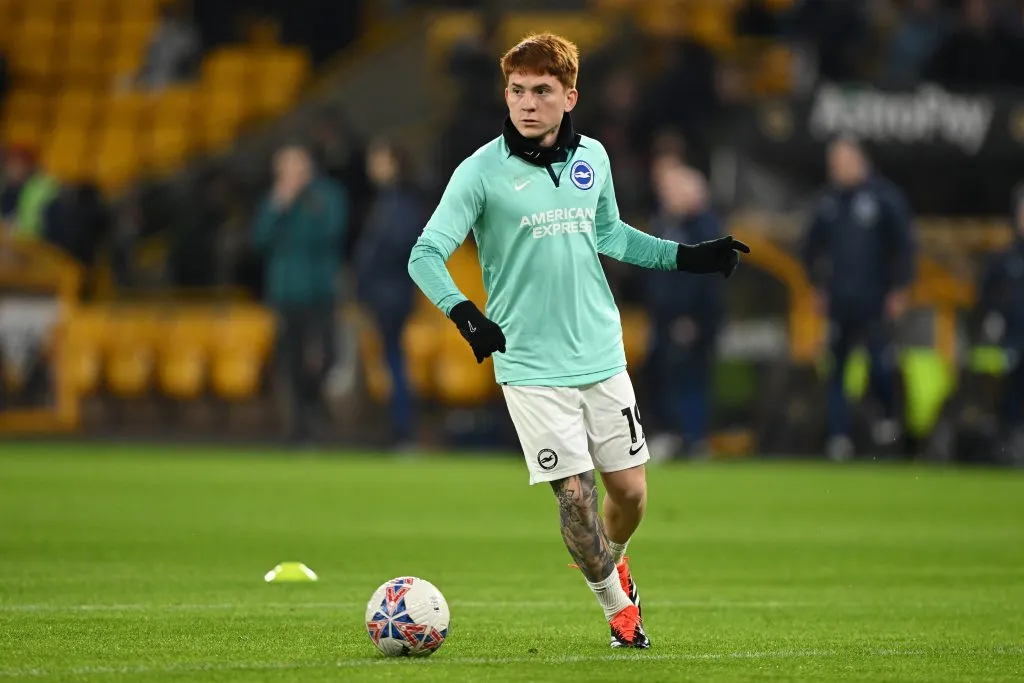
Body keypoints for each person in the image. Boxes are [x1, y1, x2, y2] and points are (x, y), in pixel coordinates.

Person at [407, 33, 748, 648]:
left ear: (569, 96)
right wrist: (466, 315)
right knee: (574, 495)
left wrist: (690, 259)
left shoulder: (593, 157)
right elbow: (425, 253)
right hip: (529, 364)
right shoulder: (480, 172)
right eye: (517, 91)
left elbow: (612, 236)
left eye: (541, 91)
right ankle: (619, 610)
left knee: (632, 495)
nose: (527, 103)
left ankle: (610, 557)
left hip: (599, 351)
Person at [800, 136, 916, 462]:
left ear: (860, 160)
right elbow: (808, 249)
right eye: (832, 162)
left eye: (841, 161)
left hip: (875, 300)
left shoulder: (885, 199)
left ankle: (886, 419)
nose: (835, 168)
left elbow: (904, 247)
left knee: (880, 364)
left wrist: (900, 288)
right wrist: (816, 287)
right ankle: (839, 438)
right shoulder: (828, 203)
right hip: (839, 301)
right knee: (836, 369)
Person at [253, 144, 347, 444]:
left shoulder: (327, 195)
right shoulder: (275, 200)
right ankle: (300, 428)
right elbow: (260, 239)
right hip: (286, 291)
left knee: (328, 354)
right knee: (290, 360)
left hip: (321, 289)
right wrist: (280, 203)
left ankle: (314, 404)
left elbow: (333, 231)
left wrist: (304, 203)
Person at [643, 162, 724, 459]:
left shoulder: (704, 227)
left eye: (672, 190)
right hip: (664, 317)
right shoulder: (666, 223)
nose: (666, 196)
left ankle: (693, 437)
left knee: (690, 377)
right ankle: (673, 434)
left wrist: (691, 317)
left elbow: (705, 277)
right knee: (663, 376)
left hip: (691, 319)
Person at [355, 139, 424, 448]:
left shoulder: (398, 204)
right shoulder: (392, 202)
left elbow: (394, 248)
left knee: (393, 360)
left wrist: (366, 276)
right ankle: (395, 427)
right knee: (390, 359)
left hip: (390, 292)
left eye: (378, 159)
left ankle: (401, 430)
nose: (373, 166)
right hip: (391, 290)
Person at [976, 187, 1024, 441]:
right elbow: (985, 297)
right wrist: (992, 317)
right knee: (1010, 392)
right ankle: (1010, 443)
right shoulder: (1004, 260)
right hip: (1013, 340)